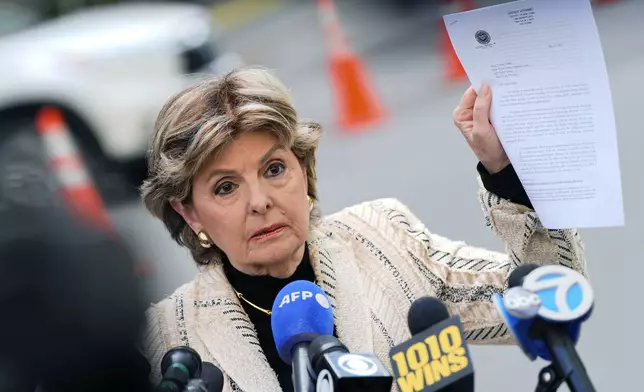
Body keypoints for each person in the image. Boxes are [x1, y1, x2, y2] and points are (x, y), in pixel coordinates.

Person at [139, 67, 587, 392]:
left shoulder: (382, 238)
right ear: (190, 213)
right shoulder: (167, 339)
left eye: (274, 168)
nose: (260, 201)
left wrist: (505, 171)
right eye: (225, 187)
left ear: (304, 168)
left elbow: (550, 294)